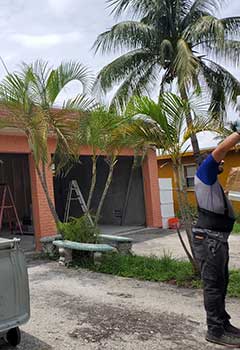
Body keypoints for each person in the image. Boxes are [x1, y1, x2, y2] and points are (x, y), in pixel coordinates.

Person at [193, 125, 240, 348]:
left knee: (221, 283)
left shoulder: (211, 182)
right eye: (218, 163)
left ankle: (223, 323)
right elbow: (219, 151)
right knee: (212, 285)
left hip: (216, 240)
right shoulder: (204, 171)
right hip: (209, 240)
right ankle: (215, 331)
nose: (222, 164)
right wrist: (238, 134)